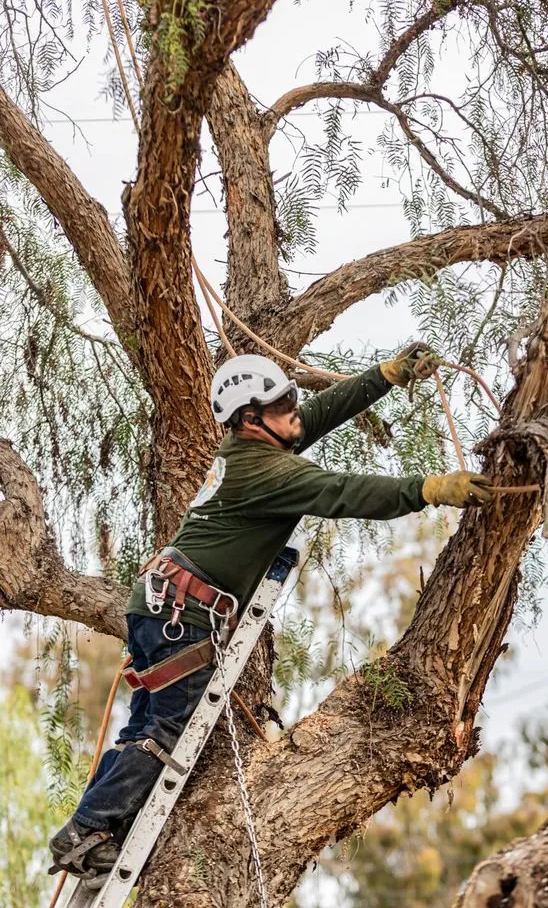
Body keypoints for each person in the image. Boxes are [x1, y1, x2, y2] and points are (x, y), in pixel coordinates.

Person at [49, 344, 492, 877]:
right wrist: (427, 489)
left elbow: (319, 414)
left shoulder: (251, 448)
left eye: (291, 399)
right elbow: (341, 491)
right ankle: (88, 831)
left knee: (144, 726)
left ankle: (95, 827)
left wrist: (385, 375)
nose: (295, 411)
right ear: (252, 418)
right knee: (166, 729)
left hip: (165, 603)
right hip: (182, 615)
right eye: (283, 404)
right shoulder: (264, 474)